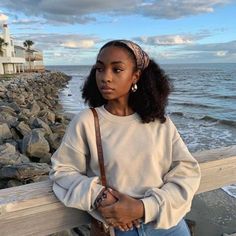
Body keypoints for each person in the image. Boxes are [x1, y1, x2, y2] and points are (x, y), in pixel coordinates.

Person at [49, 39, 201, 236]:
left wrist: (143, 207)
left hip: (168, 226)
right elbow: (62, 171)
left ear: (135, 76)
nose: (105, 77)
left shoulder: (159, 122)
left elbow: (187, 171)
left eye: (117, 69)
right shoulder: (87, 121)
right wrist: (99, 195)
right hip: (119, 229)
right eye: (99, 69)